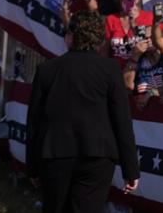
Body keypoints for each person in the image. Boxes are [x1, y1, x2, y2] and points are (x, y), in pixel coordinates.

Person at [27, 11, 139, 212]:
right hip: (97, 156)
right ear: (100, 39)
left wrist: (32, 167)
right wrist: (130, 170)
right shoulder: (110, 69)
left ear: (71, 36)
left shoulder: (46, 70)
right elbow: (122, 121)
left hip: (55, 154)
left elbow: (34, 123)